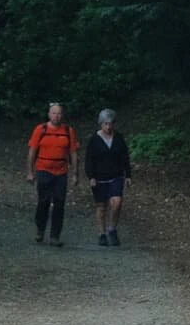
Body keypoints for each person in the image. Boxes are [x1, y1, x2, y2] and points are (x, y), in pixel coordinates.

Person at [25, 101, 80, 246]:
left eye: (59, 113)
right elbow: (32, 151)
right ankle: (40, 229)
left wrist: (75, 173)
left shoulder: (68, 131)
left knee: (59, 203)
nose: (56, 116)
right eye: (54, 113)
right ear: (49, 115)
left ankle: (55, 235)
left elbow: (73, 153)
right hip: (43, 169)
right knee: (43, 201)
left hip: (61, 171)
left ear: (62, 115)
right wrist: (30, 172)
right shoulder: (40, 129)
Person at [86, 108, 133, 246]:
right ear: (101, 124)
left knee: (117, 202)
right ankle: (101, 233)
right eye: (106, 123)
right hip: (99, 177)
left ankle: (112, 229)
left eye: (111, 123)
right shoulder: (94, 140)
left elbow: (125, 157)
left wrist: (128, 175)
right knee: (101, 207)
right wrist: (91, 176)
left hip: (116, 176)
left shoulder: (119, 138)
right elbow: (89, 160)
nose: (108, 126)